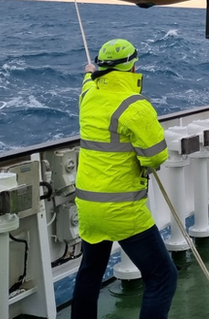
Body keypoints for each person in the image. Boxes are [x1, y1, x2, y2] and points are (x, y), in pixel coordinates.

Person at [71, 38, 178, 319]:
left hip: (88, 205)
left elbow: (87, 80)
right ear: (133, 68)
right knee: (162, 275)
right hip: (122, 209)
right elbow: (155, 157)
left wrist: (88, 72)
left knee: (90, 273)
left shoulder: (88, 95)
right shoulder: (135, 106)